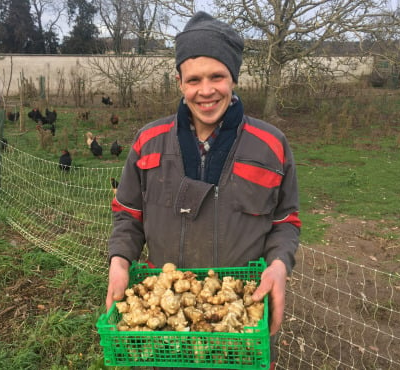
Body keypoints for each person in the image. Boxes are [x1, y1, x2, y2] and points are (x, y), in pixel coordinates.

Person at [106, 11, 301, 370]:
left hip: (239, 319)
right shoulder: (149, 142)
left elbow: (286, 219)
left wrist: (278, 266)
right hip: (164, 324)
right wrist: (120, 261)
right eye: (193, 79)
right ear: (179, 81)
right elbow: (128, 213)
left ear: (234, 78)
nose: (206, 90)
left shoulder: (270, 145)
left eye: (217, 76)